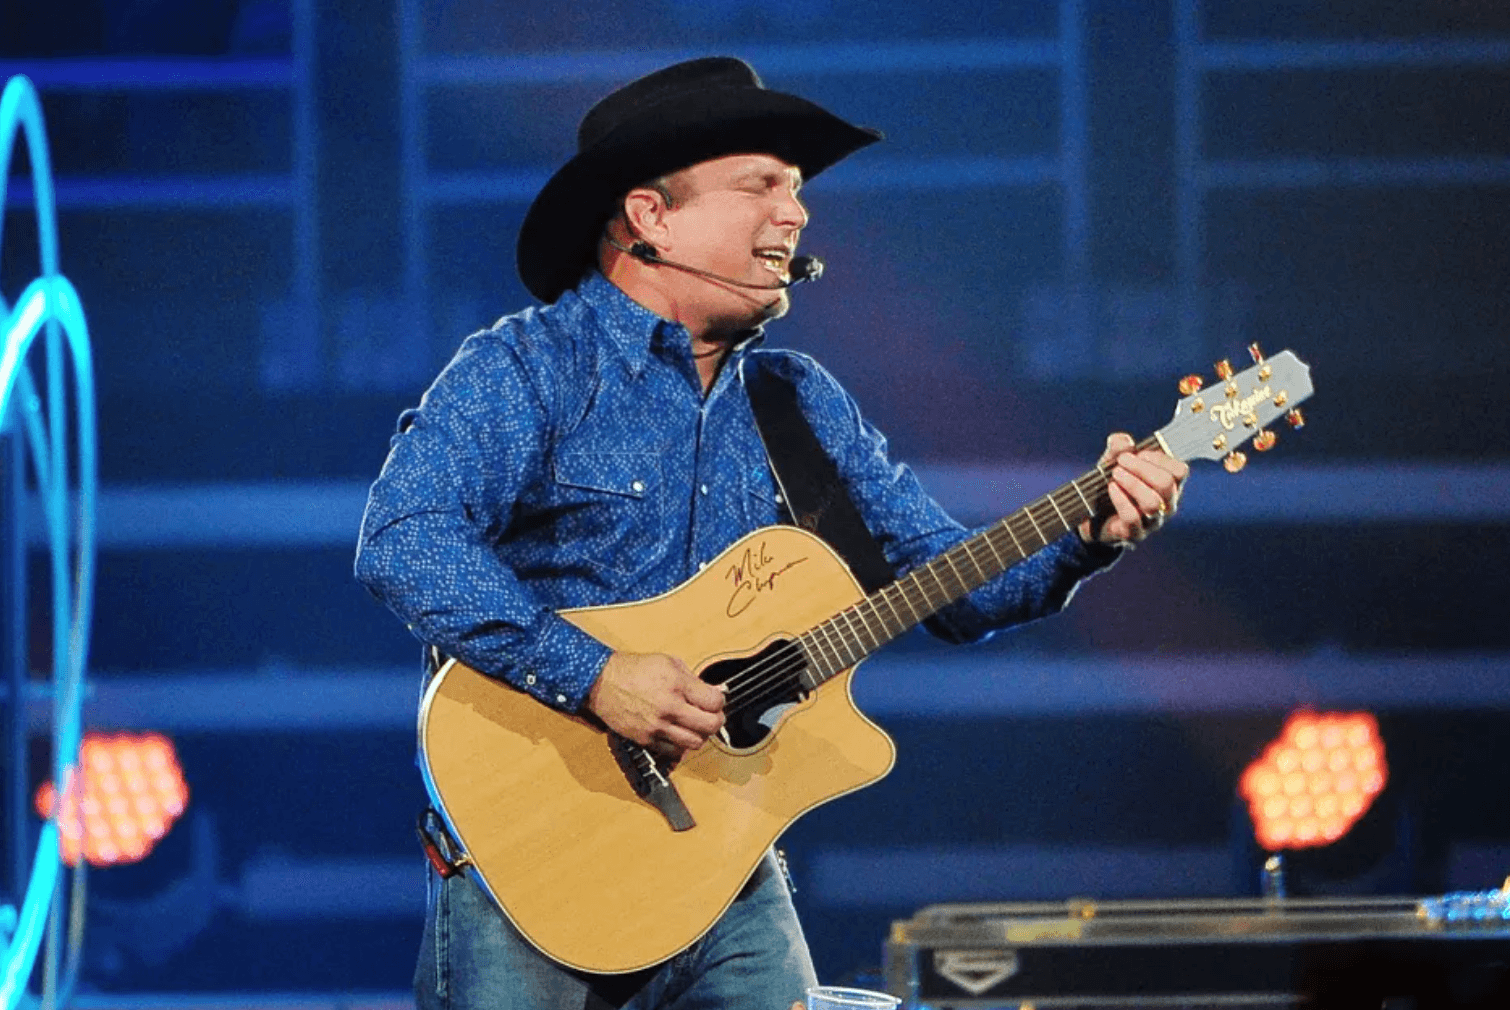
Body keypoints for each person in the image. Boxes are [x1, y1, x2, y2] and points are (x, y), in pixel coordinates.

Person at [355, 56, 1187, 1010]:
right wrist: (596, 675)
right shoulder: (526, 368)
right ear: (651, 217)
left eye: (797, 192)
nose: (796, 216)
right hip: (528, 871)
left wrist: (1092, 530)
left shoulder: (798, 403)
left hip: (722, 864)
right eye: (763, 186)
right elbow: (405, 541)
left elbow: (954, 591)